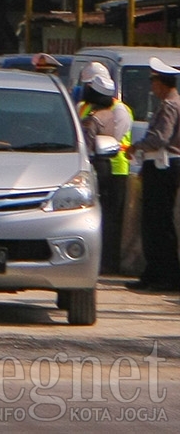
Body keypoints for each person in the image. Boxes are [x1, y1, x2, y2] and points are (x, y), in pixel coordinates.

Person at [76, 62, 133, 276]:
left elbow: (114, 139)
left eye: (89, 85)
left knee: (111, 219)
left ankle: (110, 263)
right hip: (90, 166)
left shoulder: (119, 110)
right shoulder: (87, 106)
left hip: (115, 167)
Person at [133, 57, 180, 292]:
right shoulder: (170, 104)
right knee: (155, 223)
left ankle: (164, 275)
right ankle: (154, 273)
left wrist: (138, 146)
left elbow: (161, 138)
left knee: (157, 224)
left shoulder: (170, 106)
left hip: (164, 167)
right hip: (159, 166)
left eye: (153, 82)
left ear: (162, 83)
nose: (152, 87)